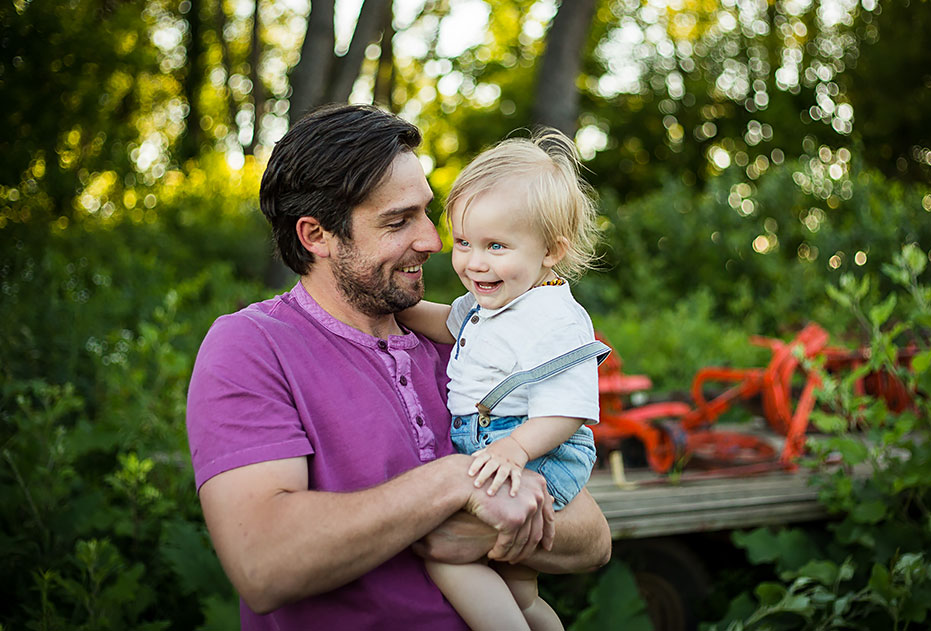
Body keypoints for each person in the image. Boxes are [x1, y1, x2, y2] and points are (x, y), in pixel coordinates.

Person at [184, 103, 611, 630]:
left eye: (427, 212)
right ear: (315, 236)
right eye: (398, 221)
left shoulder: (474, 340)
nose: (432, 240)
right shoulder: (252, 346)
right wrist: (454, 485)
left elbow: (592, 538)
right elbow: (263, 564)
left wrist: (480, 532)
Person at [397, 129, 606, 631]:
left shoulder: (554, 318)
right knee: (517, 589)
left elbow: (568, 409)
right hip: (494, 444)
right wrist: (396, 308)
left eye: (496, 245)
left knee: (449, 554)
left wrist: (514, 450)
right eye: (464, 242)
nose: (474, 262)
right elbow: (450, 321)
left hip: (534, 451)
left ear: (551, 251)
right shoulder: (500, 301)